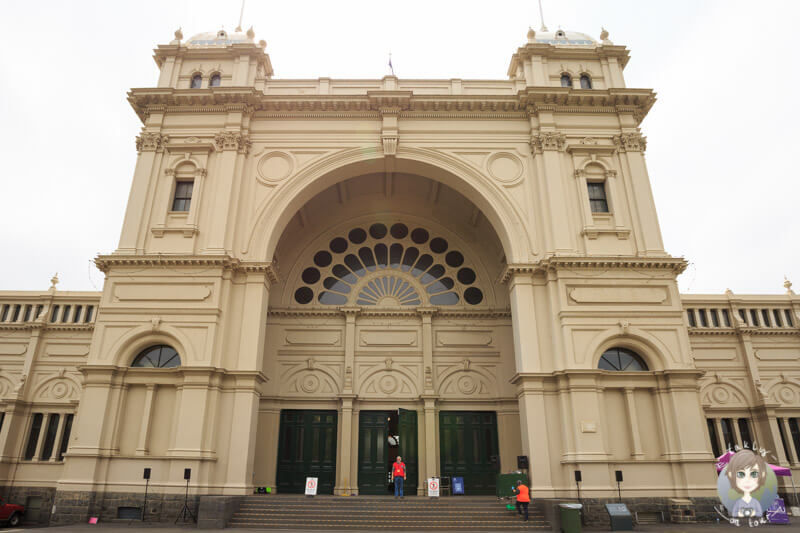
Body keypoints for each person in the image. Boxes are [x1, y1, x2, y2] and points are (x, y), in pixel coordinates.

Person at [725, 449, 768, 518]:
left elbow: (759, 513)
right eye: (741, 474)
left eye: (754, 474)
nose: (747, 480)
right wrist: (740, 513)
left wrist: (753, 513)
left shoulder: (755, 502)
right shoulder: (738, 502)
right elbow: (734, 513)